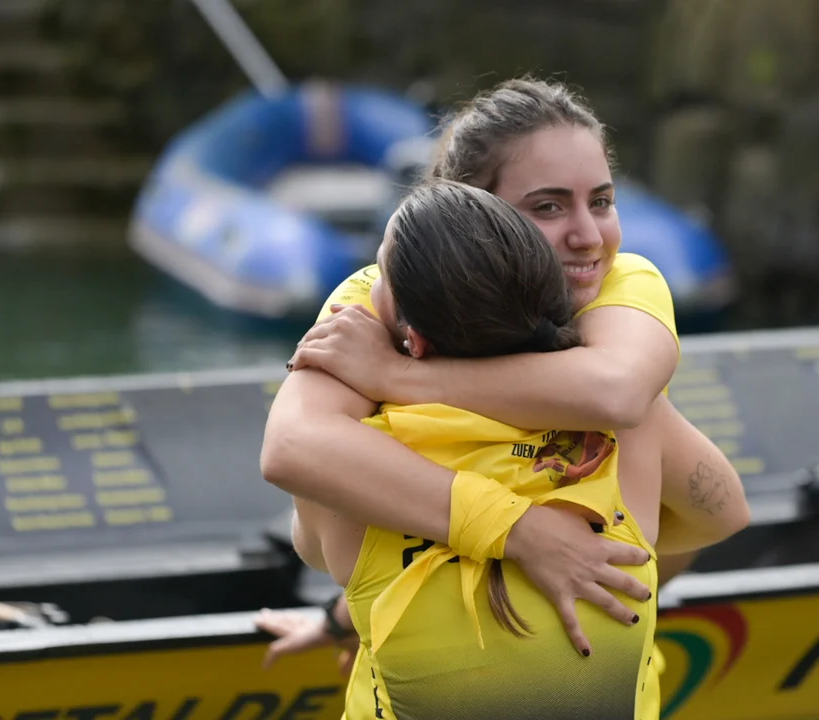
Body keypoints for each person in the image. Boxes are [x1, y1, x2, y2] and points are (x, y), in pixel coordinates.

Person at [261, 77, 749, 658]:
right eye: (548, 207)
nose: (588, 237)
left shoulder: (619, 281)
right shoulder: (379, 295)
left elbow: (617, 394)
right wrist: (522, 533)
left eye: (601, 201)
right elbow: (292, 449)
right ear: (469, 208)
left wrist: (396, 377)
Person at [286, 178, 670, 719]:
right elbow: (722, 510)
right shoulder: (623, 438)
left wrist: (380, 375)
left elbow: (308, 533)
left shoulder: (351, 484)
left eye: (379, 276)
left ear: (414, 340)